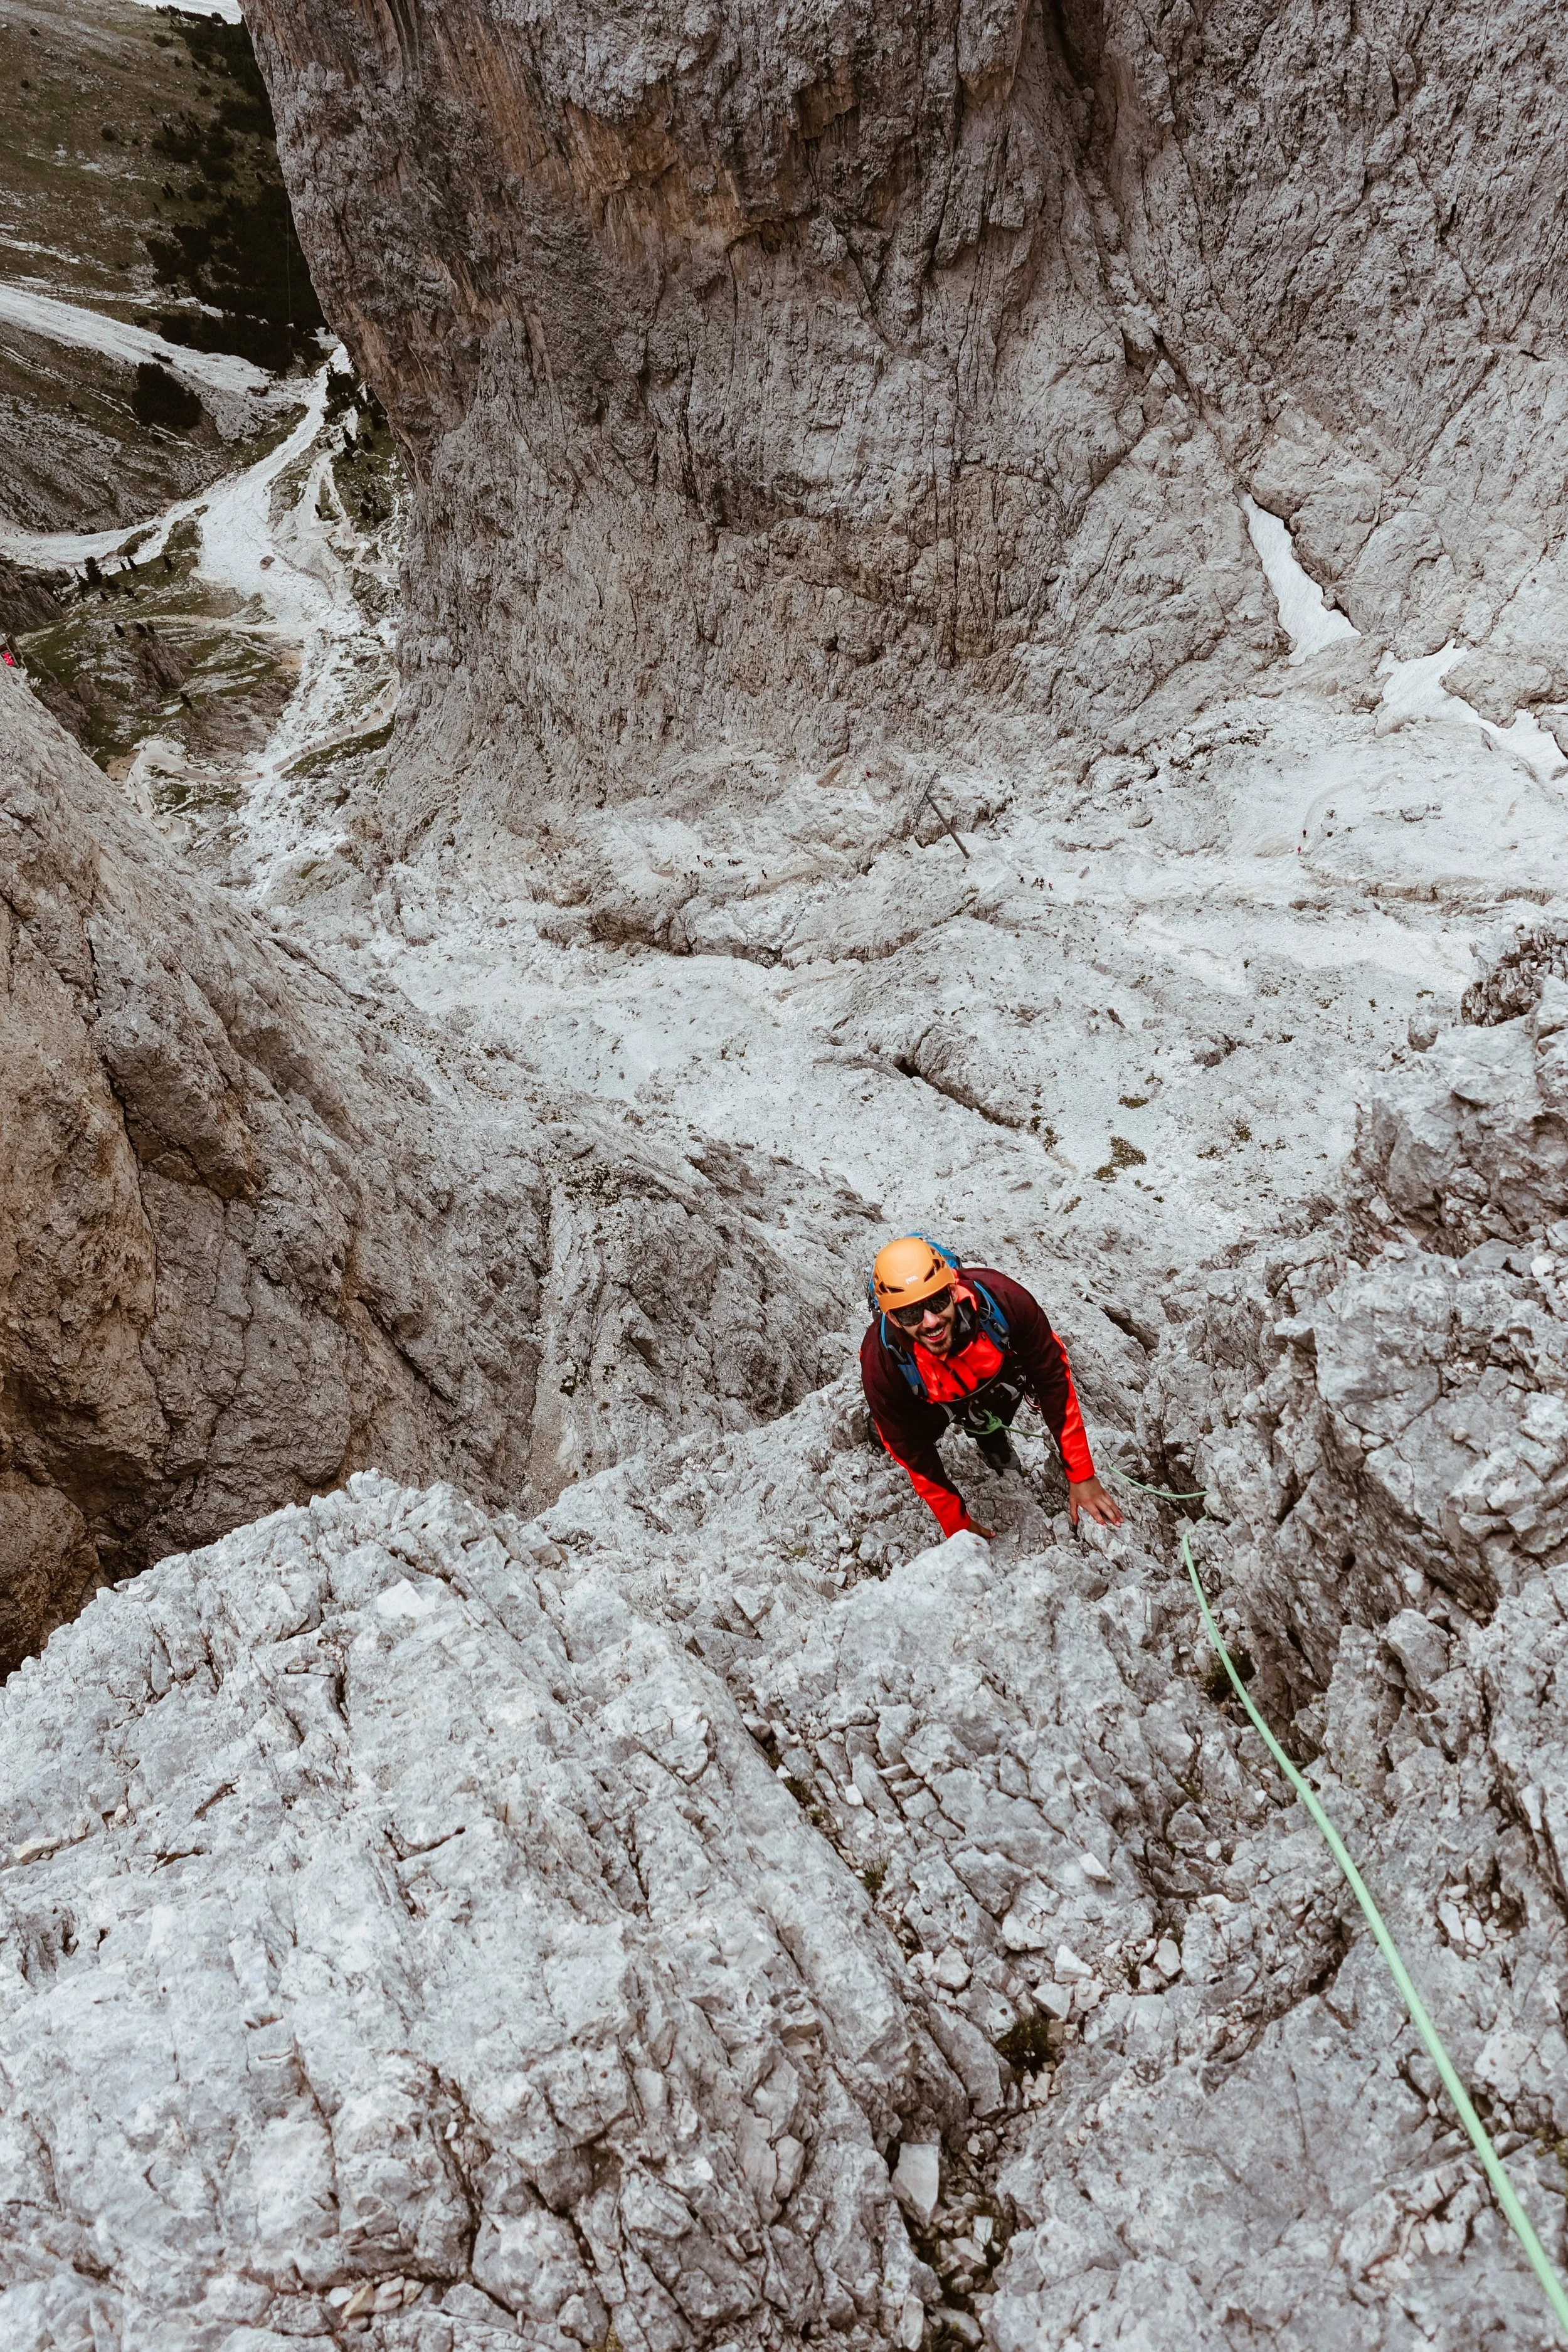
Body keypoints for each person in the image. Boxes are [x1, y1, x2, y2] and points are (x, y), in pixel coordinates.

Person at [861, 1236, 1124, 1540]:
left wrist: (1082, 1475)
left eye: (937, 1302)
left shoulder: (1004, 1300)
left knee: (1004, 1394)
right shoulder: (882, 1362)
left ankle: (989, 1436)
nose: (931, 1321)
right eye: (911, 1313)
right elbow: (909, 1447)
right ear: (892, 1317)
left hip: (992, 1376)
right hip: (928, 1398)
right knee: (899, 1433)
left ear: (952, 1288)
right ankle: (882, 1421)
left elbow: (1052, 1378)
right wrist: (955, 1520)